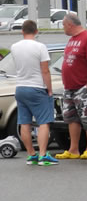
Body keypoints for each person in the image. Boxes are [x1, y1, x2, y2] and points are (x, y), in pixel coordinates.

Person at [10, 20, 59, 166]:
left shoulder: (14, 47)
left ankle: (31, 154)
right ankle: (43, 155)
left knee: (24, 122)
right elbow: (45, 70)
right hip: (37, 87)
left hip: (20, 87)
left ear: (22, 31)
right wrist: (49, 88)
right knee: (43, 122)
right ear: (36, 31)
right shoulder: (40, 47)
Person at [55, 13, 87, 160]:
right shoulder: (72, 40)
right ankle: (73, 149)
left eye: (63, 25)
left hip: (83, 86)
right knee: (71, 118)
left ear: (70, 24)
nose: (63, 28)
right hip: (70, 87)